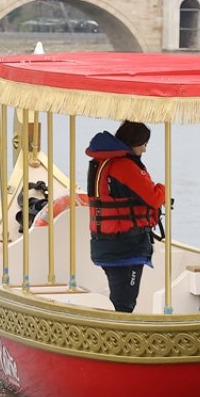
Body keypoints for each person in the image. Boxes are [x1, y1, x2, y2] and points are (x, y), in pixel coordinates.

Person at [85, 120, 167, 313]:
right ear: (134, 141)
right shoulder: (124, 165)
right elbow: (154, 198)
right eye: (144, 144)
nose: (145, 149)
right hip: (126, 247)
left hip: (104, 244)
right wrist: (164, 188)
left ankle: (113, 336)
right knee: (124, 304)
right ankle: (117, 340)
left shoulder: (102, 162)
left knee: (119, 298)